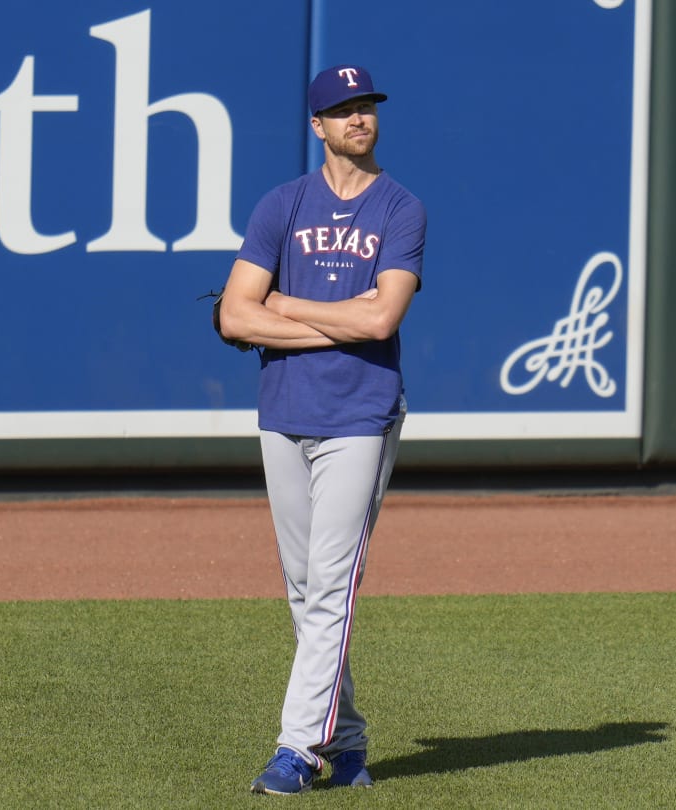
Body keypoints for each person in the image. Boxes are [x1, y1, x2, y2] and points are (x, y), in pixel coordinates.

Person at [218, 63, 426, 795]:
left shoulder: (400, 208)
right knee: (306, 589)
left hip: (361, 415)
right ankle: (350, 740)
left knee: (333, 583)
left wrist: (289, 309)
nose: (358, 118)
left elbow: (381, 319)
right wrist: (316, 318)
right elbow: (234, 315)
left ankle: (297, 746)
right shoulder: (283, 205)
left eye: (366, 105)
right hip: (284, 411)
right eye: (343, 109)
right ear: (318, 125)